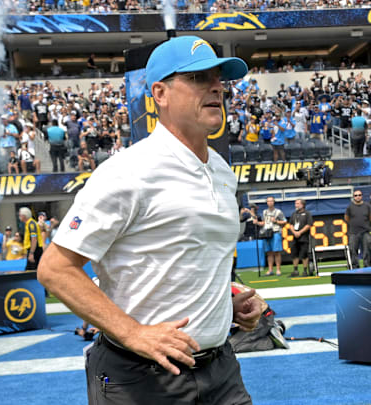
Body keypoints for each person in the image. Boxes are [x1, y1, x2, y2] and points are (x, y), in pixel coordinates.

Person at [36, 36, 257, 404]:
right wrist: (135, 333)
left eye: (218, 78)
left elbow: (184, 257)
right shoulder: (128, 172)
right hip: (141, 378)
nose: (217, 87)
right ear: (160, 93)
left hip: (221, 370)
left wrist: (223, 303)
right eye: (199, 78)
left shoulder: (220, 169)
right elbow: (55, 269)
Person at [257, 196, 286, 276]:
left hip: (275, 232)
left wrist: (276, 221)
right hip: (266, 233)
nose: (270, 202)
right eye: (268, 201)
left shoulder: (278, 212)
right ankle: (270, 270)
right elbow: (263, 222)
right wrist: (258, 223)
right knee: (269, 252)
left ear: (274, 202)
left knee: (276, 252)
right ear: (266, 202)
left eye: (271, 201)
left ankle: (278, 270)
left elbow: (284, 222)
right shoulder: (264, 212)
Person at [344, 189, 371, 268]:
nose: (358, 197)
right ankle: (355, 266)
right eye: (356, 195)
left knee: (367, 250)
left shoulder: (367, 206)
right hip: (353, 232)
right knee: (353, 250)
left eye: (359, 195)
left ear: (362, 196)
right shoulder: (350, 207)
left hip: (365, 232)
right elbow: (346, 218)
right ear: (353, 197)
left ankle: (367, 266)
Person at [288, 199, 313, 277]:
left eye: (298, 203)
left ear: (302, 205)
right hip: (295, 237)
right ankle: (295, 271)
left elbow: (308, 225)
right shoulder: (293, 214)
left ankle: (305, 271)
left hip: (304, 237)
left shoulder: (307, 213)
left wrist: (300, 232)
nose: (296, 205)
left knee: (304, 254)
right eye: (295, 203)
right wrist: (294, 232)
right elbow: (290, 224)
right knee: (294, 254)